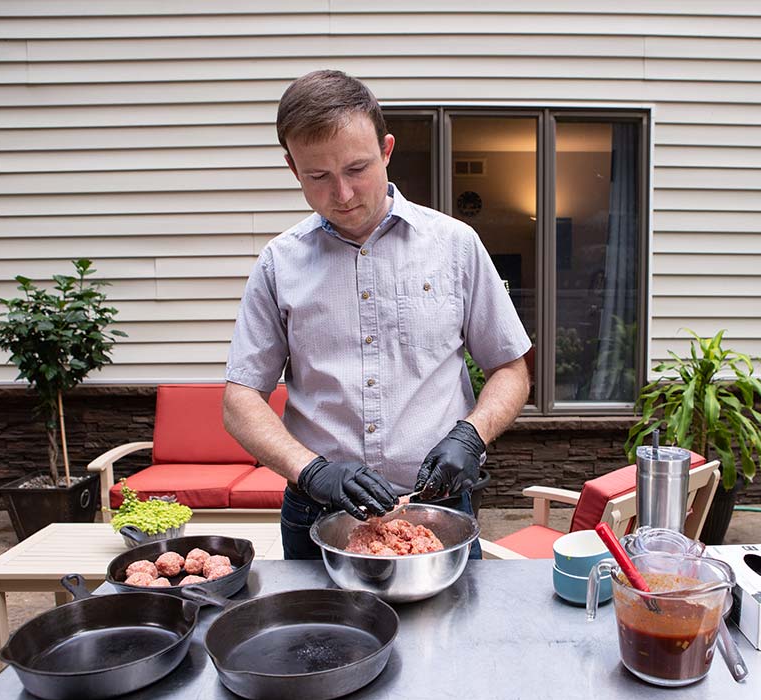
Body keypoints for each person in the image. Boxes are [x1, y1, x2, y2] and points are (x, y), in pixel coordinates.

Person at [222, 70, 532, 560]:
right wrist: (311, 470)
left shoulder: (455, 246)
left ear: (387, 150)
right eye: (318, 177)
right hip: (316, 513)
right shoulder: (278, 263)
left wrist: (471, 435)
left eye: (357, 168)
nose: (342, 194)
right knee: (321, 639)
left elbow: (511, 369)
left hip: (438, 506)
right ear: (292, 167)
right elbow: (241, 399)